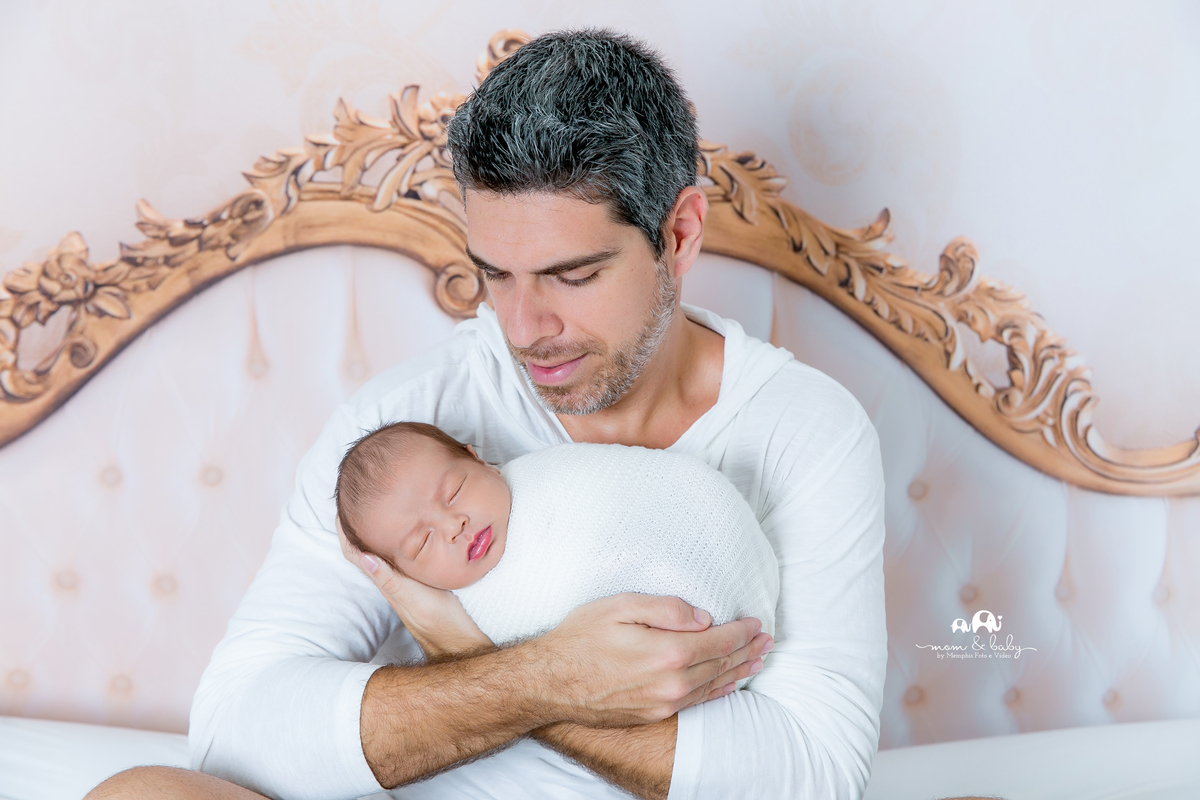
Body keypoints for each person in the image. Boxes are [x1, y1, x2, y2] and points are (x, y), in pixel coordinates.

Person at [87, 28, 885, 800]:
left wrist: (472, 658)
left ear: (677, 235)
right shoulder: (410, 427)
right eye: (496, 276)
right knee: (137, 797)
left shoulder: (805, 430)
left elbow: (811, 776)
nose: (523, 329)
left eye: (573, 275)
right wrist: (541, 678)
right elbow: (236, 728)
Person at [332, 422, 780, 676]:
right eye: (423, 542)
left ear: (479, 460)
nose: (455, 526)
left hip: (716, 539)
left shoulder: (552, 474)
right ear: (408, 579)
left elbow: (651, 489)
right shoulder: (467, 619)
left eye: (455, 491)